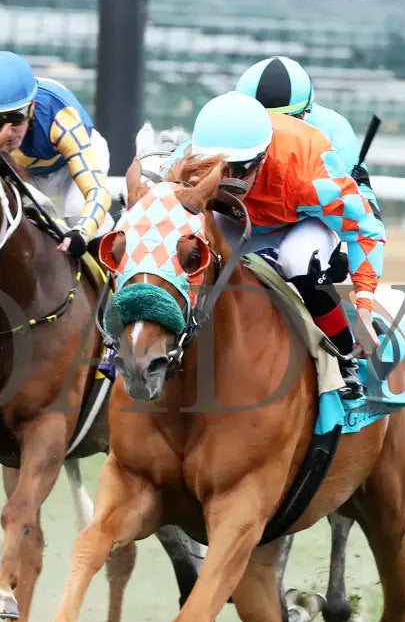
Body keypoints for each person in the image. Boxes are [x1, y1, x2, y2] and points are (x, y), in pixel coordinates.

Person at [163, 91, 386, 400]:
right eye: (215, 168)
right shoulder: (183, 164)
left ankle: (344, 355)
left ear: (263, 157)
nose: (229, 181)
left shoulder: (309, 170)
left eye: (239, 170)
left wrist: (364, 306)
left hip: (302, 219)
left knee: (297, 260)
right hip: (235, 217)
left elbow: (364, 229)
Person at [0, 50, 114, 258]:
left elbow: (97, 192)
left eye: (16, 117)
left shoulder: (60, 116)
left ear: (32, 107)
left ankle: (112, 279)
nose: (7, 131)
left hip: (71, 162)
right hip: (21, 170)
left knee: (76, 210)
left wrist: (82, 232)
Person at [235, 55, 381, 219]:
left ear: (307, 112)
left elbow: (358, 196)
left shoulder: (334, 129)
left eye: (288, 118)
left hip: (302, 221)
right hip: (243, 215)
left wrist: (369, 217)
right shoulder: (224, 123)